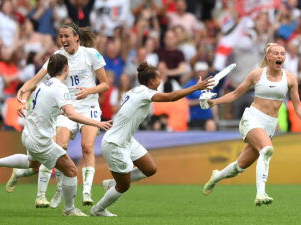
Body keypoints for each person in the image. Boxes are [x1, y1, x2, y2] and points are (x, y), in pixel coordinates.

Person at [0, 54, 112, 216]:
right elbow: (71, 114)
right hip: (41, 140)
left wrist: (25, 105)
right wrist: (96, 122)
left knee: (32, 164)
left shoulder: (43, 84)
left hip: (28, 134)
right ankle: (69, 209)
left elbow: (43, 101)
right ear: (67, 69)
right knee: (71, 170)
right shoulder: (60, 88)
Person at [201, 43, 301, 206]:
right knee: (267, 150)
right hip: (252, 118)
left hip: (270, 125)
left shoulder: (290, 78)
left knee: (240, 167)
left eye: (283, 54)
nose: (280, 56)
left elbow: (297, 105)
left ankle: (216, 176)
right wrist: (213, 102)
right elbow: (236, 93)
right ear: (268, 57)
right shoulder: (257, 75)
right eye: (276, 53)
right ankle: (260, 194)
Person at [6, 22, 109, 208]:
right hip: (65, 107)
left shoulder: (91, 54)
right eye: (60, 37)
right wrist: (23, 94)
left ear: (76, 37)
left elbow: (105, 84)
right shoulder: (57, 57)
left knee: (87, 147)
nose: (63, 40)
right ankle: (55, 190)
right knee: (59, 147)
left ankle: (86, 192)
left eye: (66, 36)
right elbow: (36, 80)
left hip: (89, 106)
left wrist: (89, 90)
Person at [90, 62, 213, 216]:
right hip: (115, 143)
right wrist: (195, 87)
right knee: (124, 186)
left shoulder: (136, 91)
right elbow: (171, 97)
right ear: (151, 81)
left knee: (149, 169)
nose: (161, 81)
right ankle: (98, 209)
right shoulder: (144, 93)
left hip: (127, 140)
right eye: (158, 78)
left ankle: (113, 183)